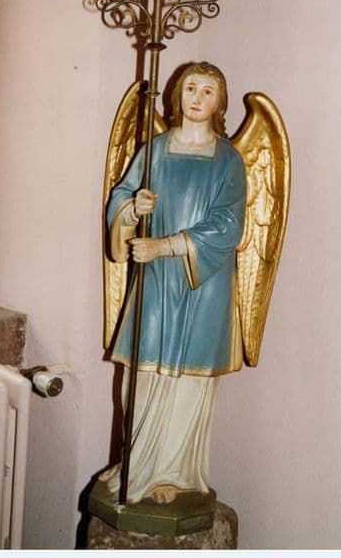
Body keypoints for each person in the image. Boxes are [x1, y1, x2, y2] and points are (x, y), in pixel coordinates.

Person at [101, 61, 247, 504]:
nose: (197, 98)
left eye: (207, 91)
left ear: (219, 103)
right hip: (156, 281)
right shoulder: (155, 149)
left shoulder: (228, 160)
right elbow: (121, 196)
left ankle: (174, 473)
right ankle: (135, 460)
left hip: (202, 282)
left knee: (188, 380)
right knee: (140, 374)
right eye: (190, 88)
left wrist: (165, 246)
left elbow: (228, 226)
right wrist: (134, 207)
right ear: (176, 95)